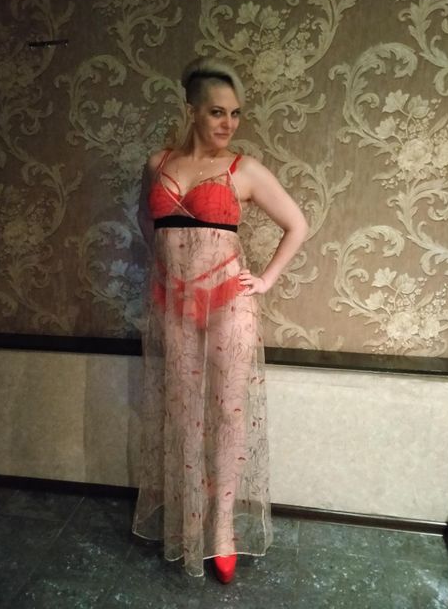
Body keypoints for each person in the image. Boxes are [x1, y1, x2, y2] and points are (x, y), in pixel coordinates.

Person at [132, 57, 308, 582]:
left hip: (229, 304)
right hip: (174, 304)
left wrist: (266, 279)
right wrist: (168, 266)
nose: (228, 123)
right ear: (191, 109)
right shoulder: (158, 163)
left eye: (235, 113)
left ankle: (224, 529)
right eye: (216, 111)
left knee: (228, 414)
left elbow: (297, 224)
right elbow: (145, 218)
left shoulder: (245, 170)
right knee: (183, 411)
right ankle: (190, 522)